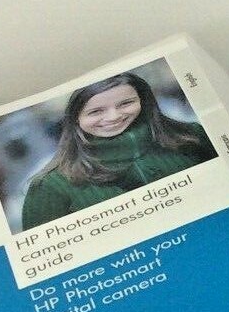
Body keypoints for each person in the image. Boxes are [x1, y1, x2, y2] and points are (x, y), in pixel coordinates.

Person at [19, 72, 217, 230]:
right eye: (95, 111)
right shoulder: (50, 186)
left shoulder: (193, 136)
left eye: (126, 103)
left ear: (143, 101)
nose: (113, 117)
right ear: (75, 119)